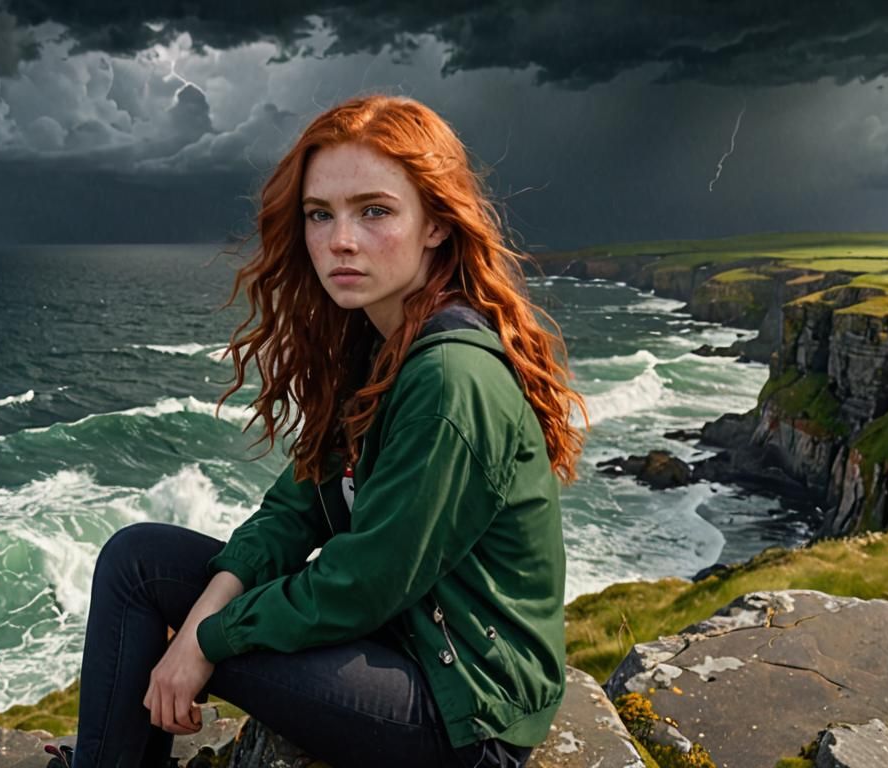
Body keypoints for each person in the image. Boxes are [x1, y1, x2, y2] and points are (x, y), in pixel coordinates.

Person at [62, 93, 587, 768]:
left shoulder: (449, 379)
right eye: (320, 214)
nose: (340, 239)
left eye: (374, 211)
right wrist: (204, 613)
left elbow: (361, 583)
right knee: (138, 561)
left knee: (168, 605)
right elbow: (297, 505)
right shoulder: (379, 343)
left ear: (435, 222)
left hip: (468, 710)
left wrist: (208, 641)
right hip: (411, 643)